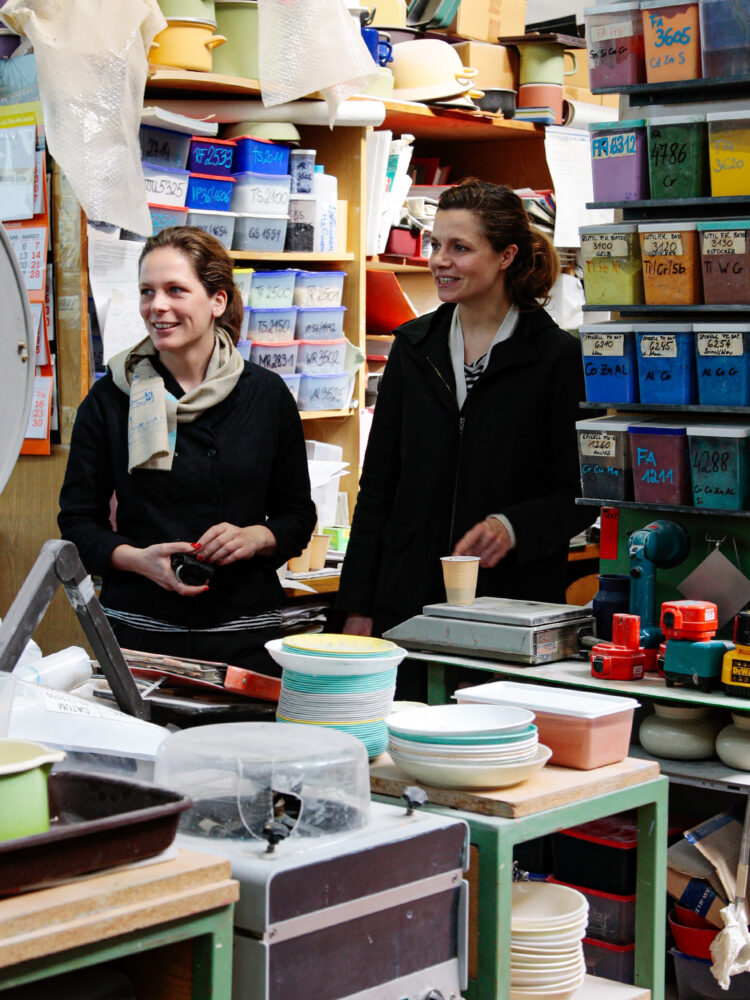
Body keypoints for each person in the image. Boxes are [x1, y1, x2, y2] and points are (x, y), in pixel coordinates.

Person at [337, 179, 592, 666]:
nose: (439, 260)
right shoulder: (412, 348)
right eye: (435, 245)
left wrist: (512, 526)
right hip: (406, 603)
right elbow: (378, 489)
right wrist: (357, 605)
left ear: (506, 255)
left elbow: (581, 494)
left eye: (460, 248)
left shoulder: (558, 359)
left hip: (510, 606)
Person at [58, 227, 316, 675]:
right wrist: (138, 560)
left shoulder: (266, 396)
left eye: (175, 290)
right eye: (147, 292)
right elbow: (77, 522)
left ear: (217, 300)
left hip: (245, 638)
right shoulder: (110, 399)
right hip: (138, 638)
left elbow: (297, 515)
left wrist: (256, 537)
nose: (157, 306)